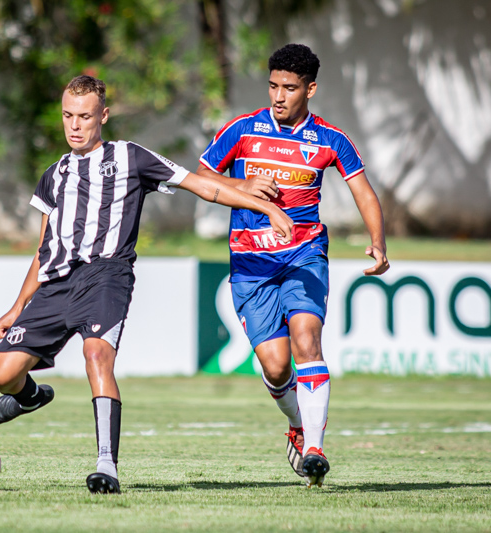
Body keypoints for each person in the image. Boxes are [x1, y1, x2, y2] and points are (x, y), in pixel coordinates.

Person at [0, 75, 294, 495]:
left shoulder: (130, 157)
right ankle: (31, 396)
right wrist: (19, 304)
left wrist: (262, 207)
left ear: (103, 116)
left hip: (107, 277)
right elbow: (43, 248)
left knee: (97, 355)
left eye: (85, 116)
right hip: (56, 286)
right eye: (68, 116)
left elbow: (202, 185)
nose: (75, 125)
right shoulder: (53, 175)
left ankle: (106, 467)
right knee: (0, 376)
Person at [196, 44, 389, 487]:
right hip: (250, 264)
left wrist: (378, 244)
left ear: (310, 89)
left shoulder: (330, 139)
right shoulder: (242, 130)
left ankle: (315, 450)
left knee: (307, 340)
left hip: (305, 255)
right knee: (277, 367)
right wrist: (241, 183)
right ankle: (299, 425)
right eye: (273, 86)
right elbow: (200, 178)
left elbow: (362, 191)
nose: (278, 96)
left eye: (289, 88)